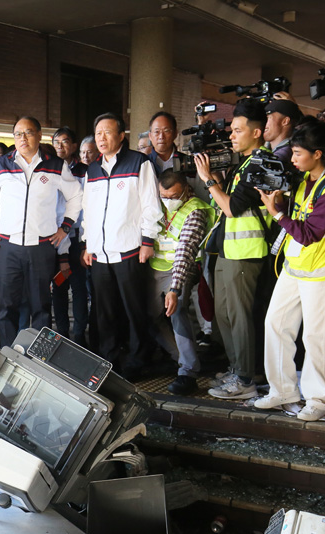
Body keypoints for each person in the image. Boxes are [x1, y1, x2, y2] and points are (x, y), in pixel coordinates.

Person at [254, 120, 325, 420]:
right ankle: (282, 389)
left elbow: (309, 233)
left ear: (317, 153)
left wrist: (276, 212)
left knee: (316, 336)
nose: (292, 159)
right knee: (275, 324)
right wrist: (281, 203)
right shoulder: (306, 179)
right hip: (295, 267)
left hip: (321, 271)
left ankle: (318, 400)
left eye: (297, 153)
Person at [0, 116, 83, 346]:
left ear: (39, 135)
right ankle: (8, 352)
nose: (22, 138)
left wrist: (65, 227)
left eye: (28, 132)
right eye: (18, 134)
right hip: (7, 247)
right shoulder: (1, 164)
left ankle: (39, 356)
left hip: (41, 247)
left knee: (41, 305)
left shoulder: (55, 166)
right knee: (8, 305)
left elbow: (76, 195)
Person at [196, 98, 272, 400]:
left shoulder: (263, 162)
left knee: (240, 316)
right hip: (229, 248)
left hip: (248, 252)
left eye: (238, 130)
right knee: (223, 314)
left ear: (256, 132)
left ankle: (245, 379)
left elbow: (231, 207)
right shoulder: (244, 162)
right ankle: (236, 367)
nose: (232, 135)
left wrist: (208, 180)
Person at [81, 112, 162, 376]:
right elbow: (88, 210)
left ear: (121, 135)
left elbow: (151, 205)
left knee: (134, 310)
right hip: (100, 254)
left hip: (130, 250)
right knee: (104, 312)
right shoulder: (92, 169)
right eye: (98, 133)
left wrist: (147, 240)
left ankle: (139, 361)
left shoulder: (139, 163)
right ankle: (109, 359)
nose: (101, 138)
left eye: (107, 132)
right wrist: (87, 244)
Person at [151, 170, 215, 395]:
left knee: (176, 311)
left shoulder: (195, 210)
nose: (168, 202)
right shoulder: (155, 204)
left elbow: (185, 253)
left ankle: (188, 371)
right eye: (164, 197)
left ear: (186, 190)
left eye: (173, 196)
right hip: (155, 268)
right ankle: (179, 356)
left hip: (183, 270)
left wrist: (174, 289)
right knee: (147, 315)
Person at [50, 126, 89, 345]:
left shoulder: (83, 171)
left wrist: (84, 241)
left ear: (74, 146)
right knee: (58, 287)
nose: (60, 146)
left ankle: (80, 333)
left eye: (65, 142)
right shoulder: (48, 169)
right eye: (56, 142)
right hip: (54, 239)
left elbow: (84, 208)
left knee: (79, 286)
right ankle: (62, 334)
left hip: (75, 239)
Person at [264, 99, 303, 169]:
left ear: (285, 121)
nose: (263, 123)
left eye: (267, 118)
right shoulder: (266, 148)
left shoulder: (287, 153)